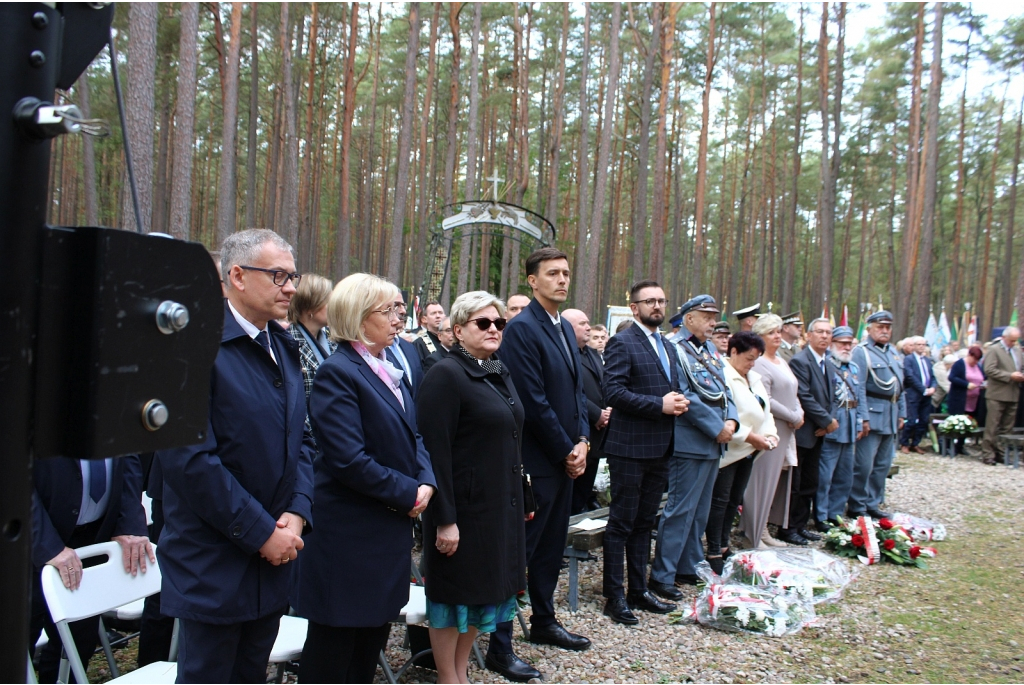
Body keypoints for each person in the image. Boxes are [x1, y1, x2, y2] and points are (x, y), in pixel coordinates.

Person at [157, 229, 315, 684]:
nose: (291, 287)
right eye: (279, 275)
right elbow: (189, 460)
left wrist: (297, 513)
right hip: (214, 562)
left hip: (274, 558)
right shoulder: (192, 348)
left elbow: (302, 440)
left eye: (293, 276)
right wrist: (263, 531)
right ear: (238, 276)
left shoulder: (283, 345)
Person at [293, 272, 436, 683]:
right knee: (334, 654)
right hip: (349, 539)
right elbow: (347, 459)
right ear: (358, 316)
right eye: (389, 309)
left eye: (399, 308)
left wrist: (425, 480)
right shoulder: (339, 372)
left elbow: (416, 434)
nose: (399, 317)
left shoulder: (388, 365)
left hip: (384, 531)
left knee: (367, 650)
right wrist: (410, 491)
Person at [486, 247, 591, 683]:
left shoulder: (564, 328)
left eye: (566, 273)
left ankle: (545, 621)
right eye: (552, 274)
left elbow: (577, 390)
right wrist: (566, 449)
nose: (561, 280)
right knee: (519, 553)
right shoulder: (522, 330)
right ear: (532, 281)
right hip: (535, 461)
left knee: (550, 547)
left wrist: (583, 439)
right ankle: (500, 645)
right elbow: (532, 398)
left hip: (566, 457)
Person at [414, 291, 525, 685]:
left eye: (499, 323)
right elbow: (433, 451)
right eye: (483, 323)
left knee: (483, 597)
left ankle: (461, 671)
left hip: (497, 508)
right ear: (458, 330)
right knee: (453, 599)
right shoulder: (445, 374)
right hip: (462, 511)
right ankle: (448, 676)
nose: (494, 328)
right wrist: (444, 519)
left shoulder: (497, 369)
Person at [598, 281, 688, 625]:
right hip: (629, 447)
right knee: (621, 523)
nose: (657, 306)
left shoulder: (667, 344)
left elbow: (669, 388)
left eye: (661, 300)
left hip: (661, 445)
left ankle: (639, 590)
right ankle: (614, 596)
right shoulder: (623, 342)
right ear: (633, 307)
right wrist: (659, 405)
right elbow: (614, 392)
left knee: (644, 523)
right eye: (649, 301)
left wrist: (679, 401)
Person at [30, 456, 151, 683]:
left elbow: (127, 455)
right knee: (16, 642)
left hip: (94, 536)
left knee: (78, 642)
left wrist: (129, 522)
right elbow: (10, 472)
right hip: (31, 539)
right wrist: (47, 545)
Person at [651, 295, 738, 595]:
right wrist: (717, 428)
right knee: (680, 510)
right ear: (688, 319)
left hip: (714, 441)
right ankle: (663, 575)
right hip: (689, 440)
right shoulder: (674, 349)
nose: (713, 322)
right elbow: (683, 394)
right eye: (706, 316)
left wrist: (732, 422)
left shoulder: (709, 350)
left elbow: (726, 390)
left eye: (714, 316)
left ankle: (688, 566)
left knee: (699, 511)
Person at [707, 331, 778, 574]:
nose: (751, 364)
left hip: (750, 450)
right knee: (720, 500)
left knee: (734, 500)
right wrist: (749, 436)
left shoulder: (754, 378)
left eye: (755, 359)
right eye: (748, 358)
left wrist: (770, 435)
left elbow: (765, 411)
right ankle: (713, 548)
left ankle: (724, 544)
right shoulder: (722, 375)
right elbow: (724, 414)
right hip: (731, 449)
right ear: (733, 352)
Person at [742, 314, 803, 549]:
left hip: (787, 430)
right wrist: (793, 416)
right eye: (771, 332)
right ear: (759, 337)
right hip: (770, 428)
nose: (777, 336)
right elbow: (765, 398)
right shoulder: (758, 362)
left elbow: (793, 389)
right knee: (761, 481)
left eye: (779, 331)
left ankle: (765, 528)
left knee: (776, 482)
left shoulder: (781, 361)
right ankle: (753, 533)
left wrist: (799, 411)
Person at [780, 318, 838, 546]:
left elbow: (830, 397)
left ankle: (801, 525)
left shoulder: (828, 362)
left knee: (810, 482)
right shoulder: (800, 361)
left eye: (828, 332)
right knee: (795, 484)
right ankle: (788, 527)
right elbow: (804, 396)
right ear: (809, 335)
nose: (824, 336)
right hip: (803, 431)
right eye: (820, 332)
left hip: (819, 432)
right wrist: (826, 420)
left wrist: (827, 422)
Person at [848, 310, 905, 519]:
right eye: (880, 327)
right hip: (872, 413)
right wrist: (863, 417)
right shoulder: (861, 352)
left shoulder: (893, 352)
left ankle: (873, 503)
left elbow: (900, 386)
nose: (884, 331)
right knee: (864, 465)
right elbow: (859, 386)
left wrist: (902, 414)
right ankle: (857, 505)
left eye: (887, 327)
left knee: (882, 465)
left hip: (890, 414)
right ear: (869, 328)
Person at [816, 326, 868, 530]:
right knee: (825, 476)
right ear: (832, 344)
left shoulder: (853, 367)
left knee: (845, 475)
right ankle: (820, 516)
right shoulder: (826, 364)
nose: (846, 347)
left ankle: (835, 514)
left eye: (849, 343)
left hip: (850, 423)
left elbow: (859, 394)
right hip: (833, 423)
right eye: (842, 343)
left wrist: (861, 421)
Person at [562, 309, 610, 515]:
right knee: (569, 494)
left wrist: (607, 411)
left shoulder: (592, 353)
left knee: (582, 491)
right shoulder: (564, 354)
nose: (588, 327)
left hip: (597, 434)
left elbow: (602, 384)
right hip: (576, 432)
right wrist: (596, 414)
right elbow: (572, 391)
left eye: (588, 322)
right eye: (582, 324)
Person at [287, 273, 336, 407]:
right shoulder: (288, 345)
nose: (334, 307)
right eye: (329, 301)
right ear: (310, 306)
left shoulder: (334, 339)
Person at [981, 326, 1024, 465]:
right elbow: (989, 369)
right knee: (992, 425)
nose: (1014, 343)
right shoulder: (994, 350)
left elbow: (1020, 367)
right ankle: (988, 453)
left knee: (1007, 427)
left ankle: (1001, 452)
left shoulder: (1017, 351)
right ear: (1004, 337)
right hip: (997, 393)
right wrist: (1009, 376)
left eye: (1016, 341)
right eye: (1012, 340)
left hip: (1013, 393)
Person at [900, 337, 937, 454]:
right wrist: (923, 389)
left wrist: (933, 387)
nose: (921, 346)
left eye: (923, 344)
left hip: (927, 395)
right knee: (911, 420)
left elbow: (933, 376)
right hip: (914, 394)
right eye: (919, 344)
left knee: (924, 420)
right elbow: (910, 377)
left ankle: (915, 443)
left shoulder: (927, 360)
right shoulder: (909, 359)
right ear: (914, 346)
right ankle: (904, 443)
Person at [389, 291, 424, 397]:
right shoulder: (373, 350)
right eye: (396, 305)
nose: (403, 311)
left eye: (403, 305)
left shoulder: (409, 347)